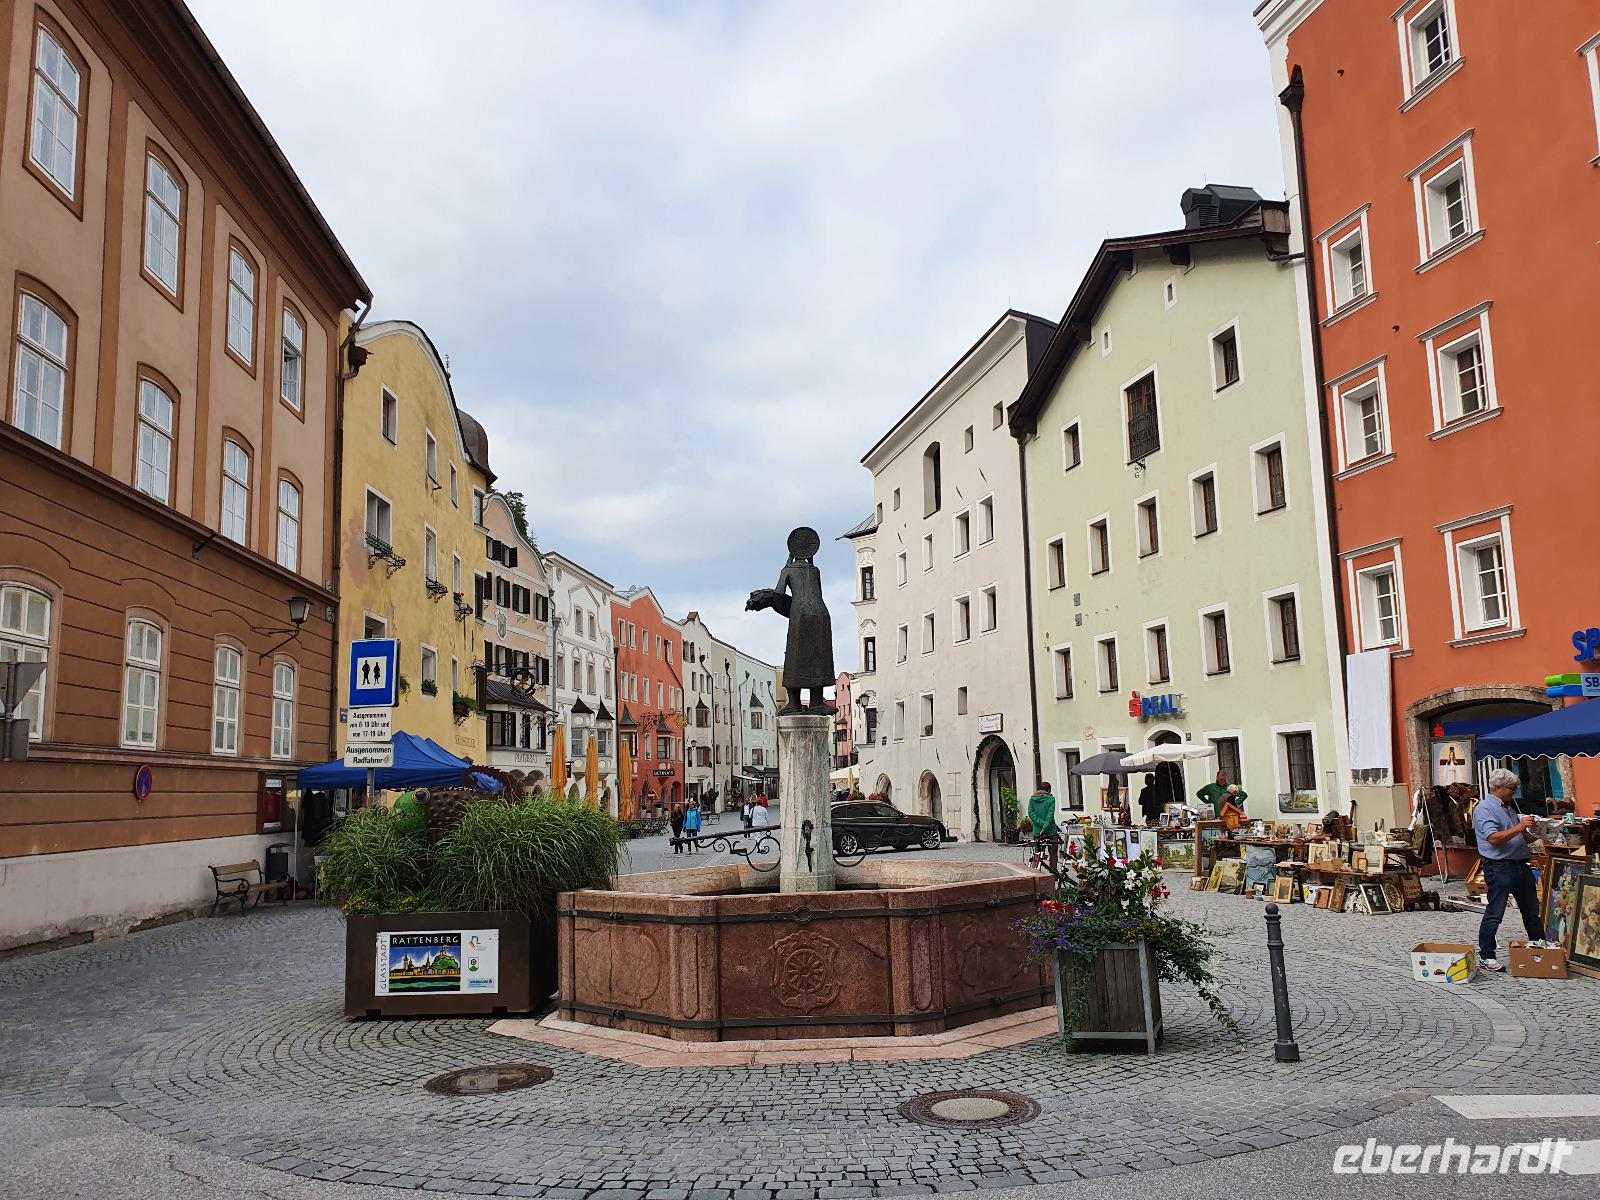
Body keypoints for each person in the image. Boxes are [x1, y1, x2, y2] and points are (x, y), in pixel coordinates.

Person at [1475, 767, 1549, 971]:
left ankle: (1540, 949)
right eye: (1512, 788)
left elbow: (1520, 838)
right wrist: (1520, 826)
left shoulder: (1508, 808)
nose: (1514, 792)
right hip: (1499, 867)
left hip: (1520, 865)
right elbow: (1493, 838)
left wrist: (1541, 831)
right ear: (1498, 787)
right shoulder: (1485, 809)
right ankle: (1486, 955)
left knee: (1532, 912)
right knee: (1495, 913)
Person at [1026, 783, 1058, 870]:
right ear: (1049, 790)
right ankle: (1053, 873)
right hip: (1050, 831)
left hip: (1037, 831)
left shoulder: (1032, 799)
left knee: (1037, 853)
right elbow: (1050, 815)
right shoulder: (1051, 799)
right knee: (1053, 854)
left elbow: (1031, 813)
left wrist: (1040, 823)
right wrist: (1045, 826)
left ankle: (1036, 873)